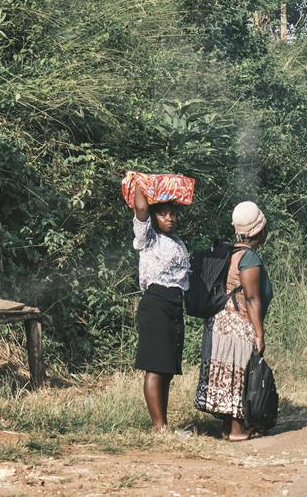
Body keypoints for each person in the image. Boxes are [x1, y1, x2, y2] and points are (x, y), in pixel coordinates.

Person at [194, 201, 273, 441]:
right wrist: (259, 332)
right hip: (237, 324)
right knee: (240, 373)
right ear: (259, 230)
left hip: (218, 322)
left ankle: (228, 427)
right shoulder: (249, 259)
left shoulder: (228, 252)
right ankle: (238, 430)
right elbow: (251, 298)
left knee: (226, 373)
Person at [132, 182, 190, 431]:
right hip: (155, 304)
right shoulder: (148, 239)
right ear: (153, 218)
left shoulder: (177, 242)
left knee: (166, 368)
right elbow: (141, 208)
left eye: (171, 213)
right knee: (155, 367)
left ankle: (162, 424)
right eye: (162, 213)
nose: (169, 218)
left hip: (174, 306)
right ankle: (158, 426)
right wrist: (140, 183)